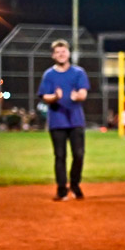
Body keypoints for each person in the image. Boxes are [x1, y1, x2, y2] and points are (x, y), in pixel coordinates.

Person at [37, 39, 90, 201]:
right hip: (57, 121)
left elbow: (83, 93)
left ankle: (74, 185)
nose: (61, 54)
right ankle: (61, 189)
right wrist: (55, 97)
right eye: (58, 52)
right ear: (53, 55)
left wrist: (77, 96)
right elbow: (45, 96)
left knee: (79, 155)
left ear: (69, 53)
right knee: (60, 156)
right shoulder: (49, 75)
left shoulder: (78, 72)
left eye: (64, 51)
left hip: (75, 120)